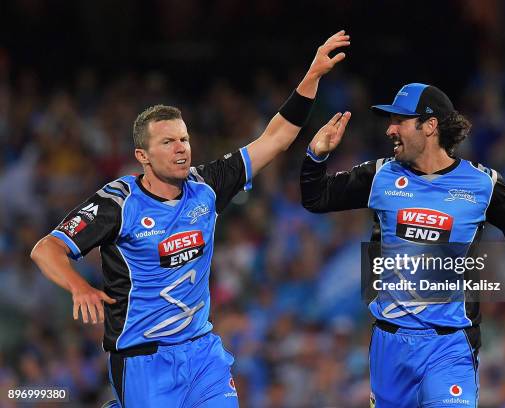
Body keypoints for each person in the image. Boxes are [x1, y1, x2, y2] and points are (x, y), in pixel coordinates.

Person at [30, 30, 350, 408]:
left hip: (201, 355)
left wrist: (311, 75)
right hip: (141, 359)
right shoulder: (119, 202)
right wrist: (78, 287)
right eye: (168, 142)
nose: (181, 148)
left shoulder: (207, 186)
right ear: (143, 156)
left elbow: (276, 138)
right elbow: (45, 248)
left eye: (184, 139)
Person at [300, 83, 505, 408]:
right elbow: (316, 198)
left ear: (430, 125)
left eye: (400, 121)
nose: (389, 129)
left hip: (450, 345)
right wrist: (317, 155)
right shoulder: (381, 176)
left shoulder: (482, 184)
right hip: (389, 345)